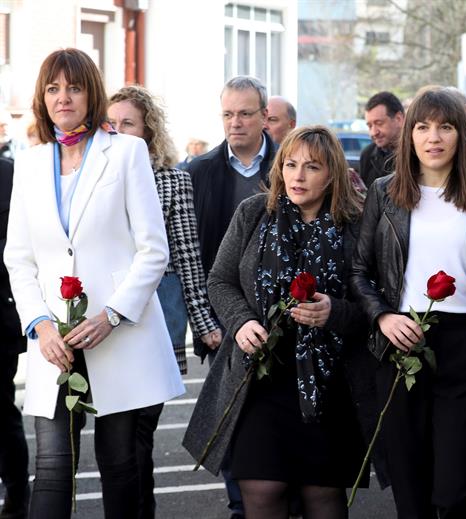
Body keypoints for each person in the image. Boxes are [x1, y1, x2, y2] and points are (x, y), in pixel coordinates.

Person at [4, 48, 184, 519]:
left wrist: (112, 314)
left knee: (120, 466)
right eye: (53, 88)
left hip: (117, 333)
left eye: (75, 87)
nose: (64, 97)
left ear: (92, 94)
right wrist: (41, 325)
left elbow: (153, 250)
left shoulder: (125, 153)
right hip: (54, 342)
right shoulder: (29, 162)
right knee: (52, 468)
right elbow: (19, 259)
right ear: (42, 99)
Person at [184, 126, 368, 518]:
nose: (298, 176)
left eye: (312, 167)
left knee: (322, 496)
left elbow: (373, 304)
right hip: (260, 379)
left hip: (327, 383)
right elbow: (219, 280)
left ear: (332, 174)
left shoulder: (355, 224)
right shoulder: (254, 214)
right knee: (262, 491)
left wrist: (335, 312)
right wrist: (241, 321)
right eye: (290, 165)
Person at [351, 86, 466, 518]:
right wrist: (383, 316)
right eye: (422, 127)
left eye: (445, 126)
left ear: (461, 134)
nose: (433, 137)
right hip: (401, 344)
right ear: (410, 134)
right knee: (411, 485)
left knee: (457, 489)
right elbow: (359, 272)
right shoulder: (384, 192)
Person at [107, 85, 222, 519]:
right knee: (119, 435)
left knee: (140, 430)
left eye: (128, 124)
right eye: (111, 124)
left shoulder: (172, 180)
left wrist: (205, 323)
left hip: (158, 312)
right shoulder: (94, 177)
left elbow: (189, 256)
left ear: (148, 132)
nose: (117, 132)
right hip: (107, 316)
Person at [187, 75, 277, 519]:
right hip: (222, 321)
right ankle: (244, 507)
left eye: (245, 113)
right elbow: (191, 258)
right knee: (234, 417)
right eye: (227, 114)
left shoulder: (290, 164)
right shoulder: (197, 172)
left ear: (265, 116)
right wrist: (206, 322)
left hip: (286, 319)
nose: (235, 123)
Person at [0, 157, 29, 519]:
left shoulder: (8, 172)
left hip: (0, 316)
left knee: (1, 411)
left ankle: (18, 495)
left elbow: (17, 243)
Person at [360, 91, 404, 188]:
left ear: (399, 119)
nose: (373, 132)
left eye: (379, 123)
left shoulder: (418, 153)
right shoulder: (367, 155)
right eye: (370, 126)